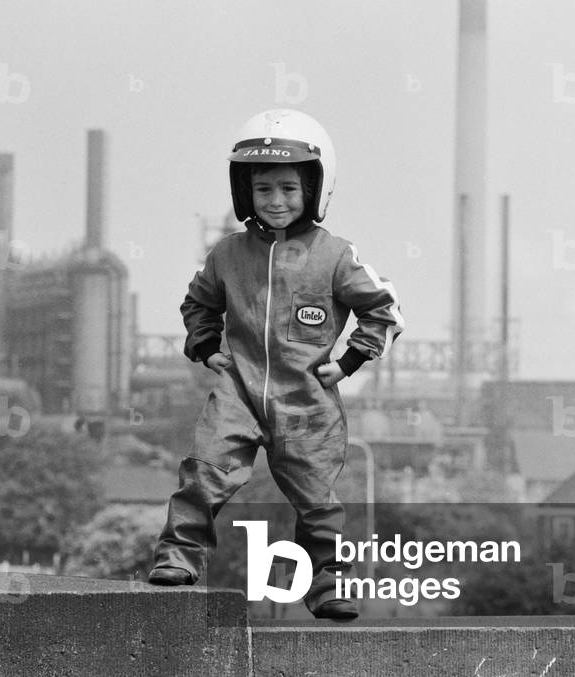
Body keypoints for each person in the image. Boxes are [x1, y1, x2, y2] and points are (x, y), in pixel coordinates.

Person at [148, 109, 404, 620]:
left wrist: (349, 361)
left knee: (317, 499)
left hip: (306, 400)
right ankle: (179, 557)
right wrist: (206, 347)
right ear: (245, 192)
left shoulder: (335, 256)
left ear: (314, 188)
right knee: (203, 472)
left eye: (288, 188)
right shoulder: (227, 254)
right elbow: (197, 303)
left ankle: (327, 584)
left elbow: (385, 310)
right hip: (239, 392)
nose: (276, 200)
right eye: (263, 189)